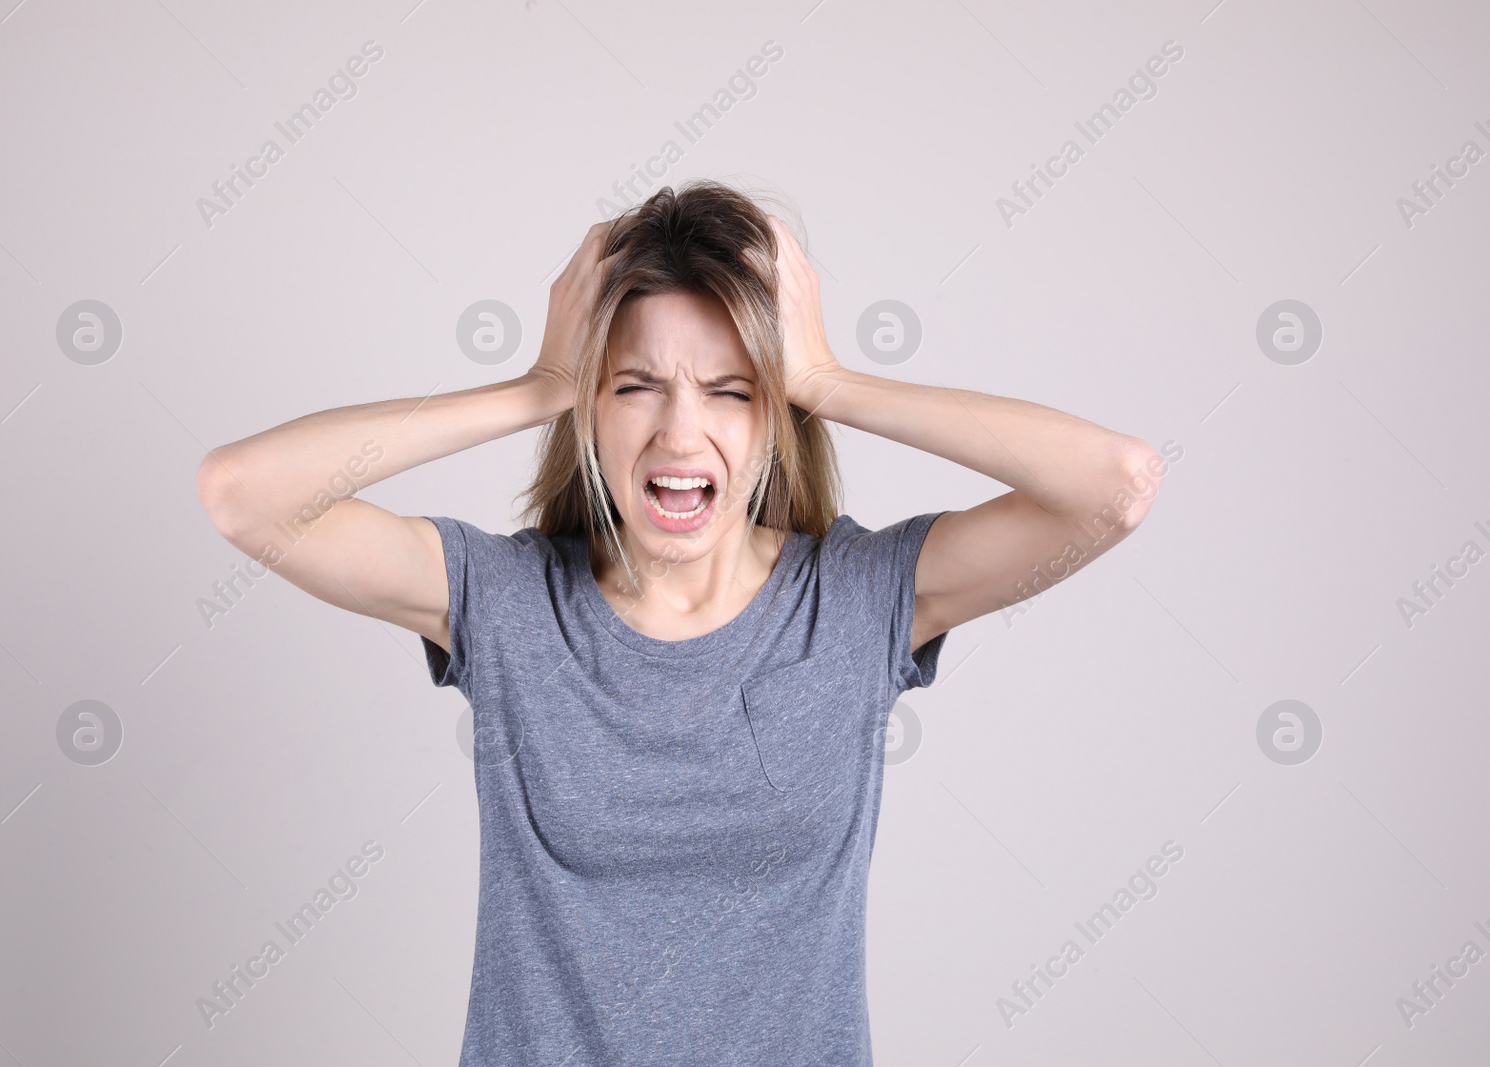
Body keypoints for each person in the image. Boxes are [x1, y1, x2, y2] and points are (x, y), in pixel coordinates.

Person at [195, 179, 1165, 1064]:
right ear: (591, 411)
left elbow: (1113, 487)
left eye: (731, 390)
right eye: (633, 385)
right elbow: (245, 494)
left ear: (775, 415)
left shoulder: (859, 597)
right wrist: (536, 384)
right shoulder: (508, 602)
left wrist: (826, 377)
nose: (678, 432)